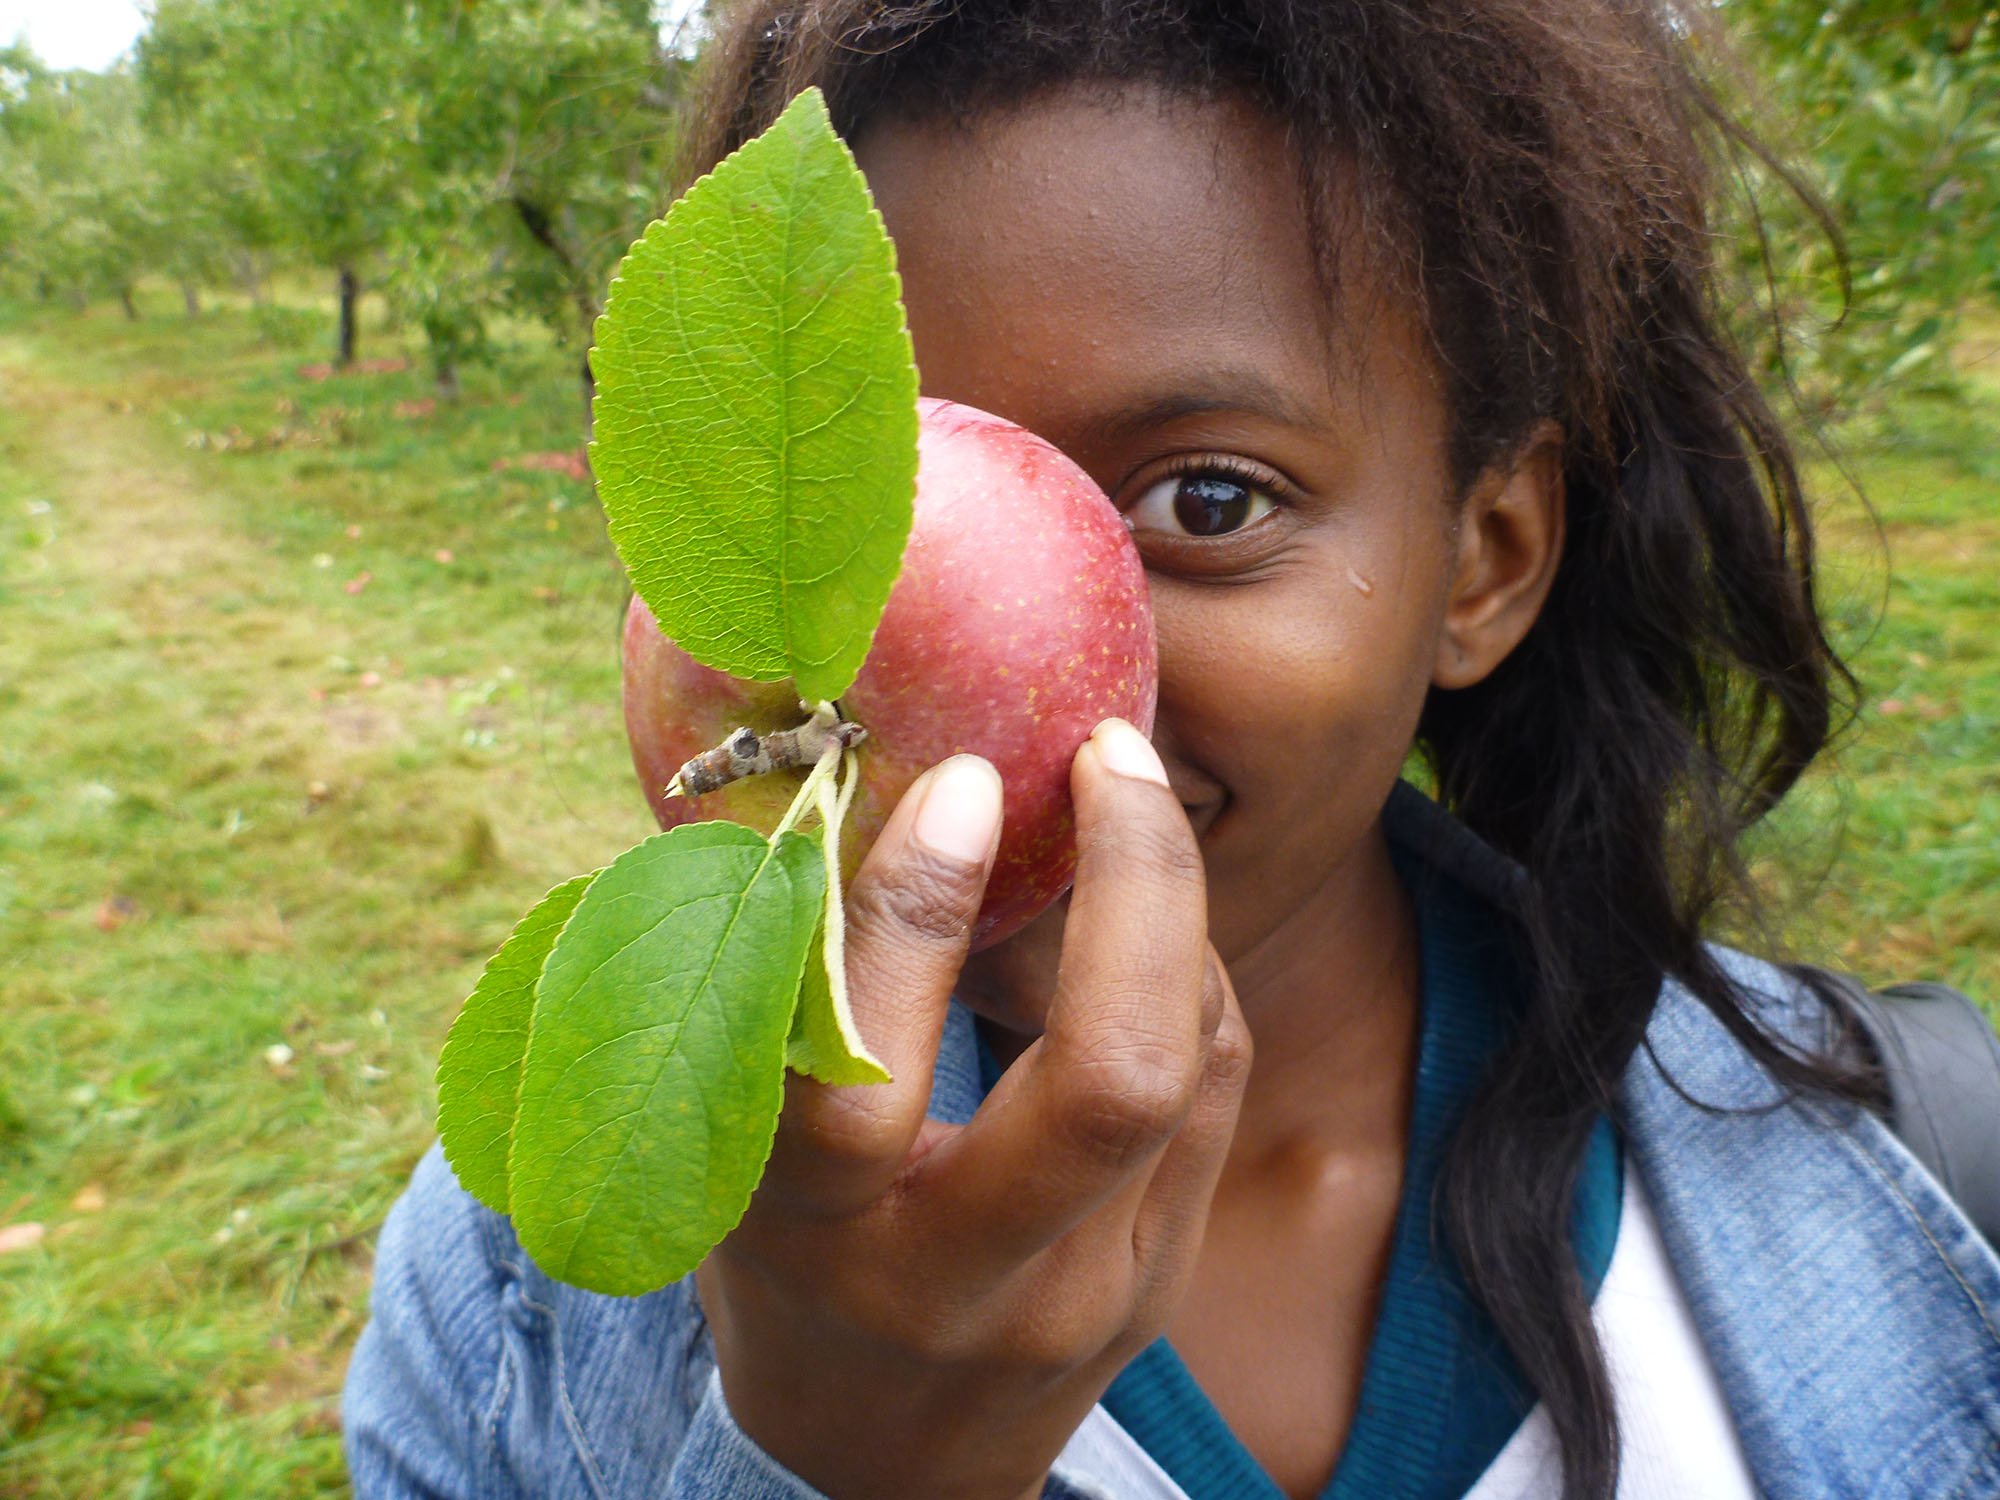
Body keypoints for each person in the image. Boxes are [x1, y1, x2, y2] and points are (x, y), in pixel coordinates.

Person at [341, 3, 2000, 1497]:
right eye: (870, 498)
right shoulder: (518, 1292)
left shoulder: (1908, 1181)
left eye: (1210, 501)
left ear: (1484, 559)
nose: (996, 713)